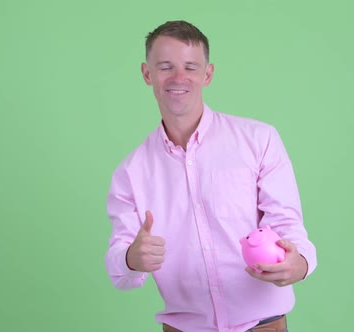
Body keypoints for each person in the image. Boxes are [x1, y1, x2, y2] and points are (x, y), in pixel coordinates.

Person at [105, 20, 317, 332]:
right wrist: (130, 258)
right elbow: (118, 264)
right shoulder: (130, 172)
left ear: (207, 74)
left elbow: (289, 227)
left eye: (191, 67)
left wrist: (298, 264)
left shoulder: (259, 140)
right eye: (165, 67)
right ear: (147, 74)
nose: (179, 78)